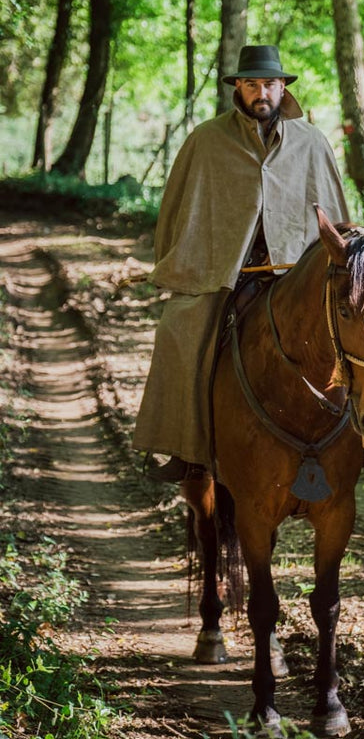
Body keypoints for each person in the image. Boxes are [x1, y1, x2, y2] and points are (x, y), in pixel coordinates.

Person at [133, 44, 349, 482]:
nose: (260, 92)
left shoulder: (311, 142)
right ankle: (186, 446)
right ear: (239, 88)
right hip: (225, 273)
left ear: (283, 86)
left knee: (357, 334)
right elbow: (179, 212)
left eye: (268, 83)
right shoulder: (208, 139)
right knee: (180, 330)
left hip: (297, 271)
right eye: (251, 84)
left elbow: (334, 216)